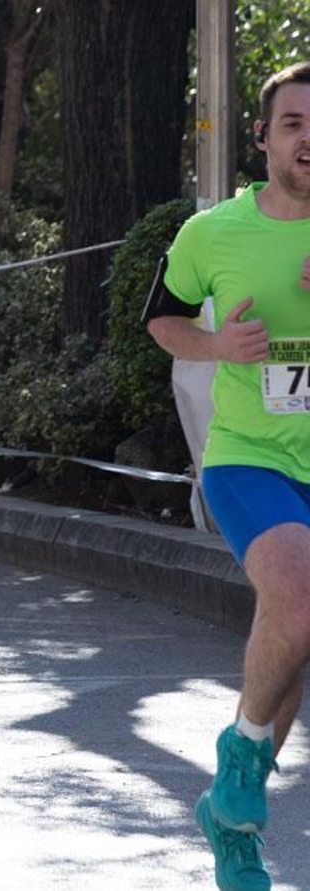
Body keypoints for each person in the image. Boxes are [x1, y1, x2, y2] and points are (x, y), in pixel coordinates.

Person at [145, 60, 310, 891]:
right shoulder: (213, 232)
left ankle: (234, 823)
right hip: (249, 455)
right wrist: (218, 346)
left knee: (294, 640)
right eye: (294, 123)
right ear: (264, 139)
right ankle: (243, 755)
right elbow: (161, 318)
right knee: (298, 593)